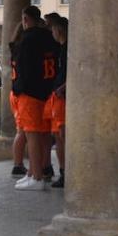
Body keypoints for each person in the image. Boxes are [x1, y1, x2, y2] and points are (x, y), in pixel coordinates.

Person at [11, 5, 59, 191]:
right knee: (44, 135)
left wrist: (18, 89)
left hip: (30, 94)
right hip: (47, 91)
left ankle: (36, 176)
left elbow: (23, 68)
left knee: (31, 135)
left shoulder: (27, 40)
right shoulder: (49, 37)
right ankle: (35, 171)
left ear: (25, 19)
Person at [45, 17, 67, 188]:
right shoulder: (61, 48)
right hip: (58, 95)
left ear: (58, 31)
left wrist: (62, 87)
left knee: (61, 135)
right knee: (58, 135)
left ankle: (65, 172)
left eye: (52, 29)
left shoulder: (66, 48)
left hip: (62, 96)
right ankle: (63, 171)